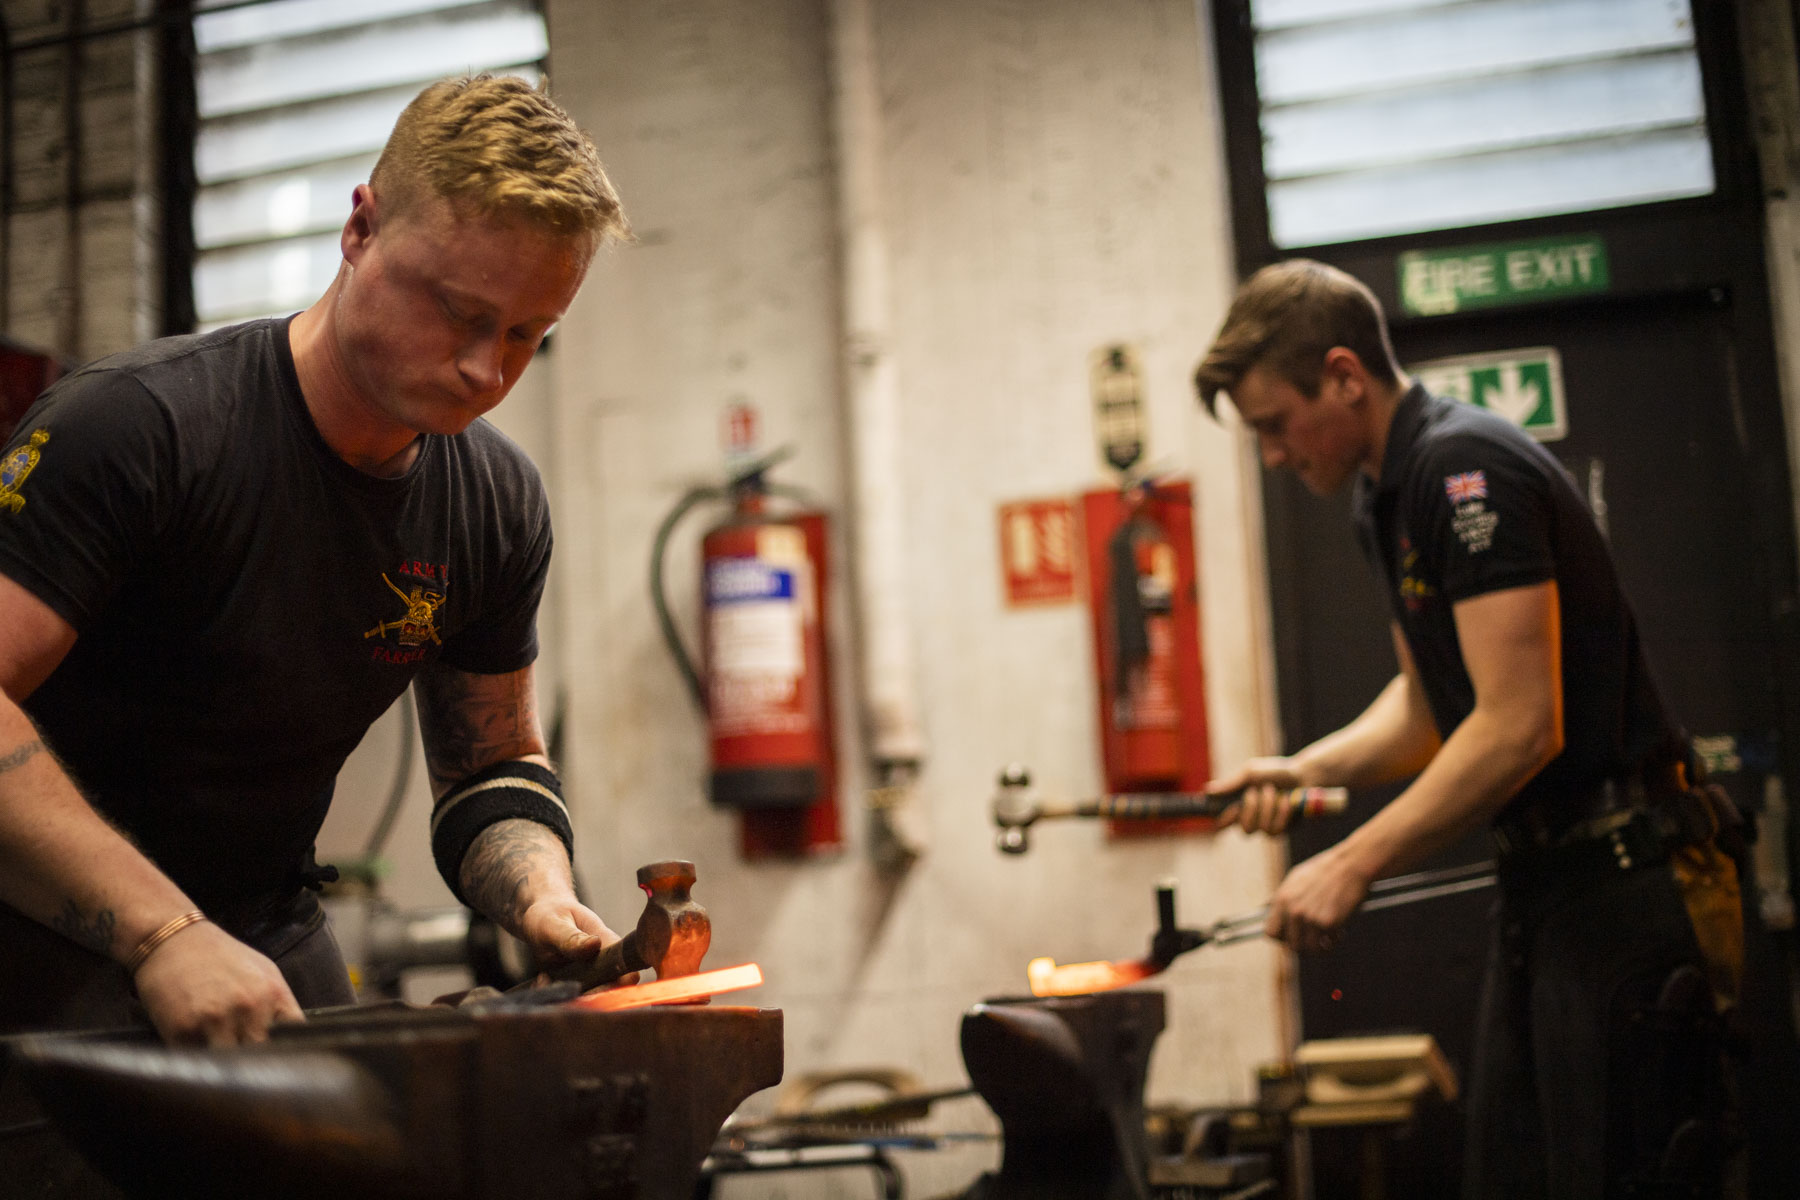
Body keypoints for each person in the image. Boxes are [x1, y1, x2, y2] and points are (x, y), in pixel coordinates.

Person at [0, 74, 631, 1047]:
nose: (485, 368)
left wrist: (542, 896)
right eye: (459, 313)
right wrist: (165, 933)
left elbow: (492, 759)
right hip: (36, 926)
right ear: (360, 229)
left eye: (524, 334)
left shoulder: (495, 504)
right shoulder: (142, 428)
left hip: (261, 928)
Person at [1196, 260, 1744, 1198]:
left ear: (1343, 375)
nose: (1274, 456)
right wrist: (1301, 770)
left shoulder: (1465, 470)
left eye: (1274, 425)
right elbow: (1427, 708)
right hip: (1545, 892)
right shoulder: (1386, 497)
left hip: (1630, 884)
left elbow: (1519, 726)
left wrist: (1352, 861)